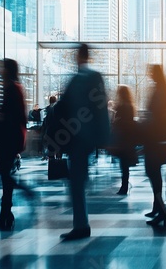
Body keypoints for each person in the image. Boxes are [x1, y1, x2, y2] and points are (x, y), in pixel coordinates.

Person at [58, 44, 110, 240]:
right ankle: (81, 223)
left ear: (78, 56)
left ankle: (81, 225)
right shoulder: (94, 77)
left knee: (77, 182)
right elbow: (101, 107)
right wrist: (104, 138)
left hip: (76, 138)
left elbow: (64, 109)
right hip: (84, 138)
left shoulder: (74, 80)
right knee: (77, 181)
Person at [0, 59, 29, 231]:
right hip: (10, 139)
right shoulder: (14, 88)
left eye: (2, 67)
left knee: (6, 176)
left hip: (8, 140)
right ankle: (5, 213)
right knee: (6, 176)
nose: (0, 70)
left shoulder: (12, 89)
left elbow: (14, 116)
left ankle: (7, 211)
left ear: (8, 70)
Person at [143, 64, 166, 226]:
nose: (149, 74)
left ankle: (162, 210)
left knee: (153, 173)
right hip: (159, 140)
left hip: (154, 140)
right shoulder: (163, 91)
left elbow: (154, 116)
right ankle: (158, 208)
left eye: (150, 72)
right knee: (155, 174)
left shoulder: (158, 92)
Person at [113, 85, 137, 195]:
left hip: (122, 139)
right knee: (125, 165)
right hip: (129, 138)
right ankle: (124, 185)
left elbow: (118, 121)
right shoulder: (130, 106)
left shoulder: (121, 106)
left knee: (123, 165)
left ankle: (124, 187)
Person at [41, 96, 59, 160]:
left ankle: (52, 164)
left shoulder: (47, 109)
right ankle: (59, 163)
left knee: (51, 148)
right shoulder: (58, 108)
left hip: (50, 131)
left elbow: (46, 121)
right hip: (58, 131)